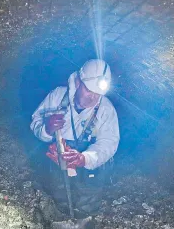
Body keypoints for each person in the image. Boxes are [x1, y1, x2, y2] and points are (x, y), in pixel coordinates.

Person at [30, 59, 120, 216]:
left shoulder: (106, 109)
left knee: (89, 194)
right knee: (59, 192)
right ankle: (63, 215)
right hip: (59, 158)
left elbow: (109, 142)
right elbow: (35, 123)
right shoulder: (57, 97)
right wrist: (47, 128)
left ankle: (84, 217)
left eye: (98, 94)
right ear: (78, 81)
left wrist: (85, 158)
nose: (93, 97)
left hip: (89, 162)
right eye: (88, 90)